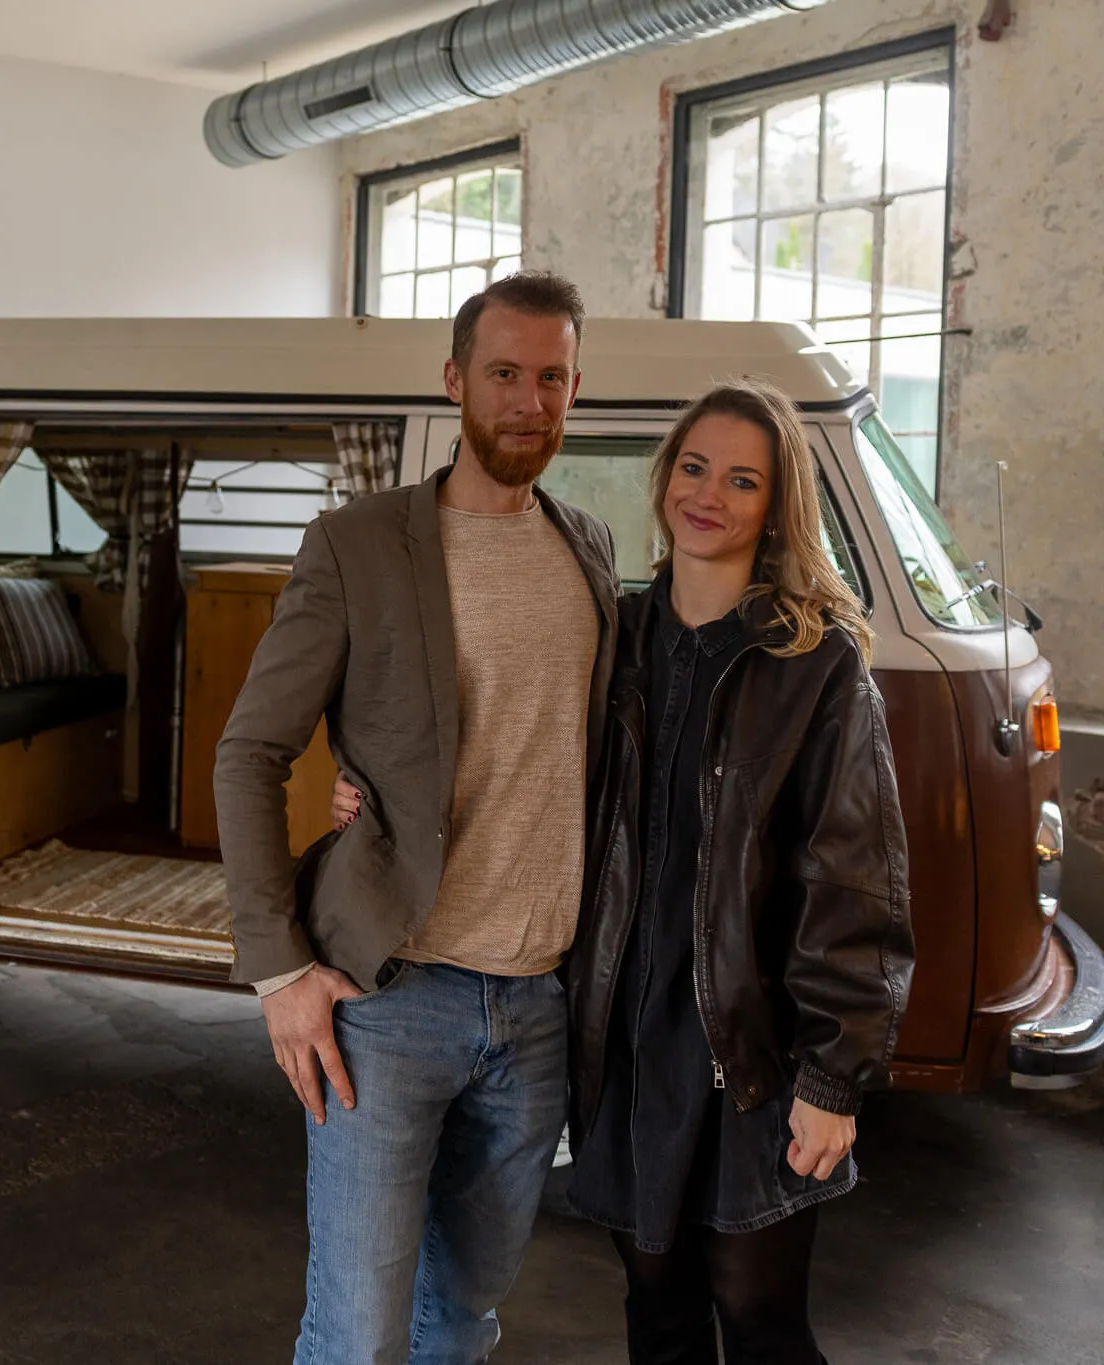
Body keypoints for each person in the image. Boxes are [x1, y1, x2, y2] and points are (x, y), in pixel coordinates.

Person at [333, 378, 915, 1364]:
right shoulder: (613, 636)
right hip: (625, 1039)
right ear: (663, 479)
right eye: (693, 467)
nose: (708, 495)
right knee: (656, 1304)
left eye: (742, 480)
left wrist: (833, 1076)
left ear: (778, 508)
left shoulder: (817, 666)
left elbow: (854, 886)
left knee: (760, 1314)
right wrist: (371, 788)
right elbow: (498, 744)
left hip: (750, 1047)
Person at [214, 271, 620, 1365]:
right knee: (358, 1336)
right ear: (454, 381)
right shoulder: (356, 543)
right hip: (390, 998)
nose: (528, 401)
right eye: (504, 373)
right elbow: (250, 752)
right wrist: (278, 970)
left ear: (574, 389)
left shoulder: (587, 548)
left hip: (537, 1004)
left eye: (551, 378)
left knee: (464, 1320)